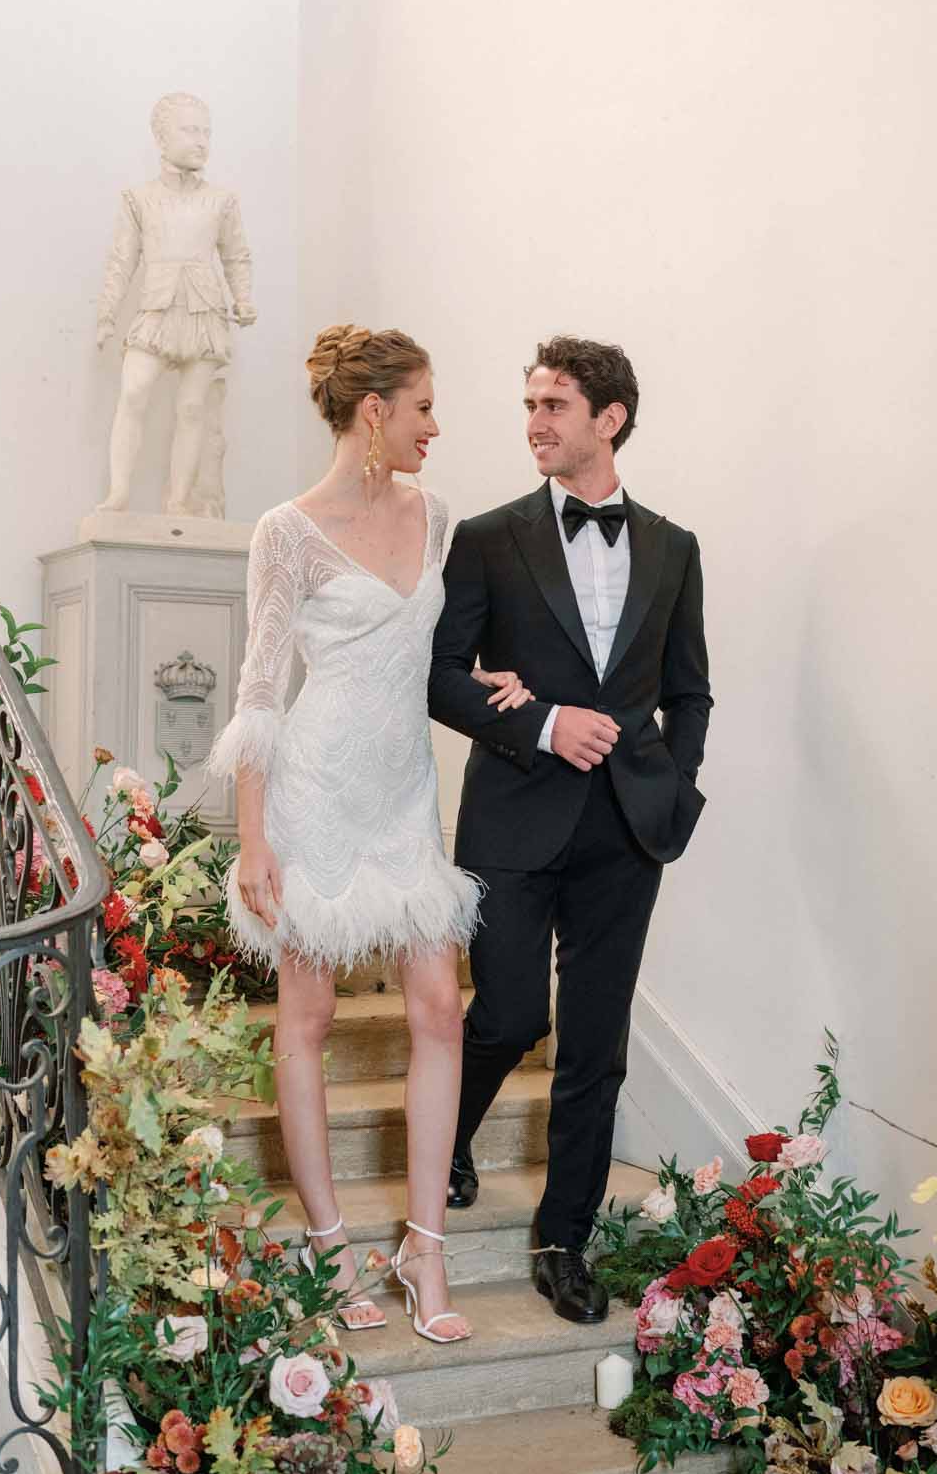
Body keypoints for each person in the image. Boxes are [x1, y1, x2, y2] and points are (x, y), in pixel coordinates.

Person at [209, 325, 533, 1342]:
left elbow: (430, 656)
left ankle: (423, 1246)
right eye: (426, 404)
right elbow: (260, 692)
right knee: (303, 1020)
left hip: (400, 796)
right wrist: (254, 839)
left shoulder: (438, 521)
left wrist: (496, 682)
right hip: (312, 790)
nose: (438, 425)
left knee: (439, 1009)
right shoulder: (286, 530)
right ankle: (330, 1243)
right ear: (375, 411)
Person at [429, 336, 713, 1323]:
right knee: (510, 1012)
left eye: (555, 404)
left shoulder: (675, 548)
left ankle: (564, 1236)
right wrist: (544, 721)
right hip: (512, 812)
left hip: (627, 827)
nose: (536, 422)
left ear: (611, 417)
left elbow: (690, 689)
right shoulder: (487, 535)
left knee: (598, 1041)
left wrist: (674, 781)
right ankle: (449, 1137)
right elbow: (440, 676)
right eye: (531, 404)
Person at [96, 92, 255, 516]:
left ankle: (180, 501)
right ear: (162, 138)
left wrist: (243, 297)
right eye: (190, 130)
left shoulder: (221, 200)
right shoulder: (139, 198)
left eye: (206, 132)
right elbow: (122, 259)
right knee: (134, 392)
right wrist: (107, 314)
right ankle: (119, 493)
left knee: (191, 408)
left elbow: (236, 254)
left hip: (204, 310)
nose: (201, 141)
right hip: (157, 307)